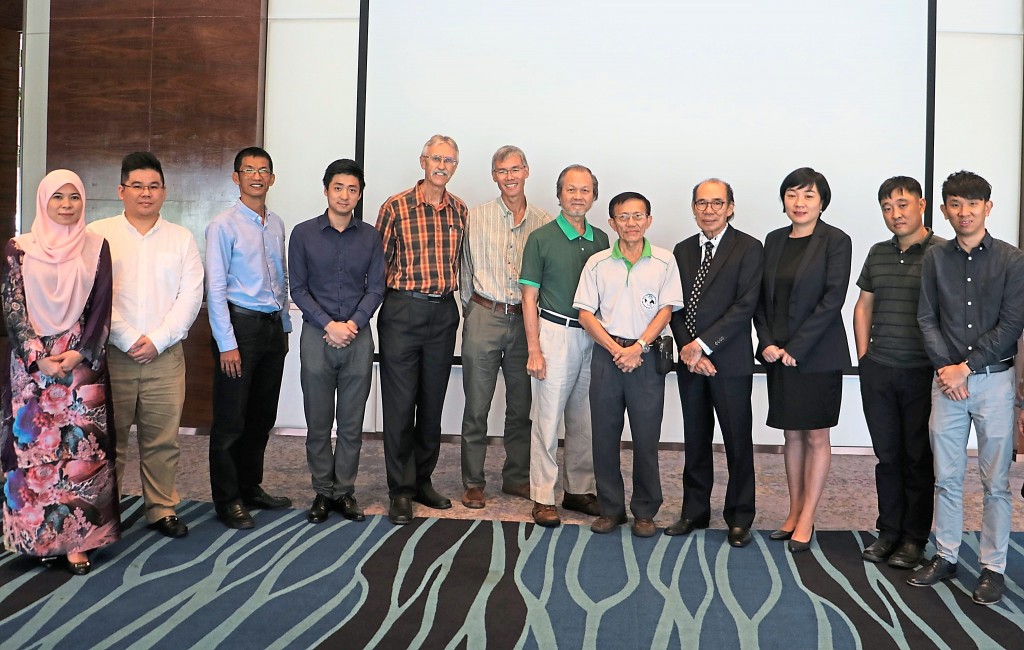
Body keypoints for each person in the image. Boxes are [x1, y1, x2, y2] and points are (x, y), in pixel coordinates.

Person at [908, 170, 1024, 606]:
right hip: (947, 385)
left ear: (988, 208)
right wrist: (946, 369)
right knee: (947, 478)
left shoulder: (1013, 260)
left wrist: (967, 368)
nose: (964, 212)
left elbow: (1013, 324)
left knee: (996, 481)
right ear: (943, 210)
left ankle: (993, 567)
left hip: (993, 382)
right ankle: (947, 555)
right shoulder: (935, 259)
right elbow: (926, 318)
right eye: (955, 203)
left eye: (973, 204)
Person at [1, 170, 119, 574]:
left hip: (80, 367)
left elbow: (101, 306)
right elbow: (13, 306)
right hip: (31, 366)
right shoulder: (18, 248)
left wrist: (79, 353)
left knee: (77, 453)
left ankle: (77, 542)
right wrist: (37, 357)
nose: (67, 205)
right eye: (58, 197)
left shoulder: (97, 246)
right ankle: (36, 539)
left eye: (74, 197)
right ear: (44, 201)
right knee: (34, 453)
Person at [88, 152, 204, 539]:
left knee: (162, 440)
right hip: (112, 355)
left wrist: (156, 340)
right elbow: (94, 295)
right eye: (137, 186)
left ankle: (161, 508)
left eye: (153, 186)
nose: (145, 193)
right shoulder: (98, 234)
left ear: (164, 192)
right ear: (121, 191)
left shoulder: (181, 238)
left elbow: (190, 297)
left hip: (165, 356)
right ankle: (106, 512)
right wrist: (125, 337)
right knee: (110, 440)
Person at [574, 191, 683, 537]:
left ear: (649, 221)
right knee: (604, 437)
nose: (631, 223)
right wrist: (613, 347)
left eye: (638, 216)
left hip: (647, 358)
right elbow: (585, 313)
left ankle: (645, 511)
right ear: (612, 223)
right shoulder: (598, 262)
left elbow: (666, 310)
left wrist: (637, 347)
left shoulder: (665, 262)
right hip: (607, 357)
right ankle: (611, 509)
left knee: (646, 439)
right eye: (623, 217)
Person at [754, 167, 851, 553]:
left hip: (817, 356)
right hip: (779, 355)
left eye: (808, 195)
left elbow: (833, 300)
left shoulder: (836, 241)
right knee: (790, 434)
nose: (799, 202)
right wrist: (766, 342)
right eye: (792, 194)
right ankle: (793, 512)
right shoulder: (774, 240)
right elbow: (760, 299)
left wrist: (798, 346)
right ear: (783, 200)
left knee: (816, 434)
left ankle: (808, 516)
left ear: (822, 201)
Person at [375, 135, 468, 525]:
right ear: (423, 161)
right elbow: (377, 266)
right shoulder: (395, 207)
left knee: (432, 403)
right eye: (435, 158)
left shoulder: (460, 210)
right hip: (402, 310)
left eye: (449, 159)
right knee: (399, 404)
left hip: (443, 313)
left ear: (455, 165)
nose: (441, 165)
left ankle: (423, 480)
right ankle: (400, 490)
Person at [666, 179, 763, 547]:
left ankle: (739, 517)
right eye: (702, 203)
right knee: (695, 439)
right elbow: (673, 304)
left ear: (731, 207)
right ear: (693, 208)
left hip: (730, 362)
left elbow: (745, 306)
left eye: (717, 203)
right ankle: (694, 511)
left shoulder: (749, 248)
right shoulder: (683, 249)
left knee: (738, 441)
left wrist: (704, 346)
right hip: (691, 364)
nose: (709, 210)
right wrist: (688, 349)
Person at [853, 176, 942, 569]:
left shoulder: (943, 253)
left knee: (917, 458)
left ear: (921, 205)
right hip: (880, 370)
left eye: (902, 204)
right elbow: (863, 306)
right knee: (887, 457)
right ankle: (888, 532)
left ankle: (914, 539)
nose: (895, 214)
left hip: (923, 373)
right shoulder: (877, 253)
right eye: (887, 207)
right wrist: (864, 357)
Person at [289, 159, 384, 524]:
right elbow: (298, 288)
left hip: (358, 338)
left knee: (350, 422)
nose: (345, 195)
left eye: (353, 189)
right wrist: (329, 324)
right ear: (326, 190)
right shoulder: (303, 234)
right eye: (338, 188)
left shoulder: (371, 236)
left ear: (359, 195)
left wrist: (353, 324)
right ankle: (321, 492)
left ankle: (344, 491)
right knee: (317, 420)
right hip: (317, 334)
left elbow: (375, 287)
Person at [459, 145, 552, 509]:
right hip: (483, 314)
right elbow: (464, 269)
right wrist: (471, 312)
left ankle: (515, 478)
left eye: (516, 169)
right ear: (494, 176)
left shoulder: (544, 222)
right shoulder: (476, 216)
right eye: (502, 171)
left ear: (527, 171)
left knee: (520, 406)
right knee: (476, 405)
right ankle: (473, 482)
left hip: (526, 321)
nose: (510, 176)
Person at [206, 146, 293, 529]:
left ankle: (250, 486)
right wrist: (227, 343)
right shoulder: (222, 225)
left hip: (273, 329)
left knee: (262, 416)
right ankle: (227, 500)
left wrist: (285, 323)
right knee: (231, 420)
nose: (256, 176)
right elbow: (216, 287)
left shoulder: (276, 224)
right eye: (248, 170)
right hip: (239, 329)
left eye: (263, 170)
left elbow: (282, 278)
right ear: (236, 177)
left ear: (272, 178)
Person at [519, 164, 610, 527]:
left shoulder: (603, 239)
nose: (577, 196)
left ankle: (579, 490)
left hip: (592, 335)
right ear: (559, 195)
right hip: (553, 334)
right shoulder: (541, 238)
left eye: (584, 190)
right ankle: (542, 496)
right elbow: (529, 297)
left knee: (583, 419)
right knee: (546, 419)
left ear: (593, 196)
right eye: (571, 190)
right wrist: (533, 349)